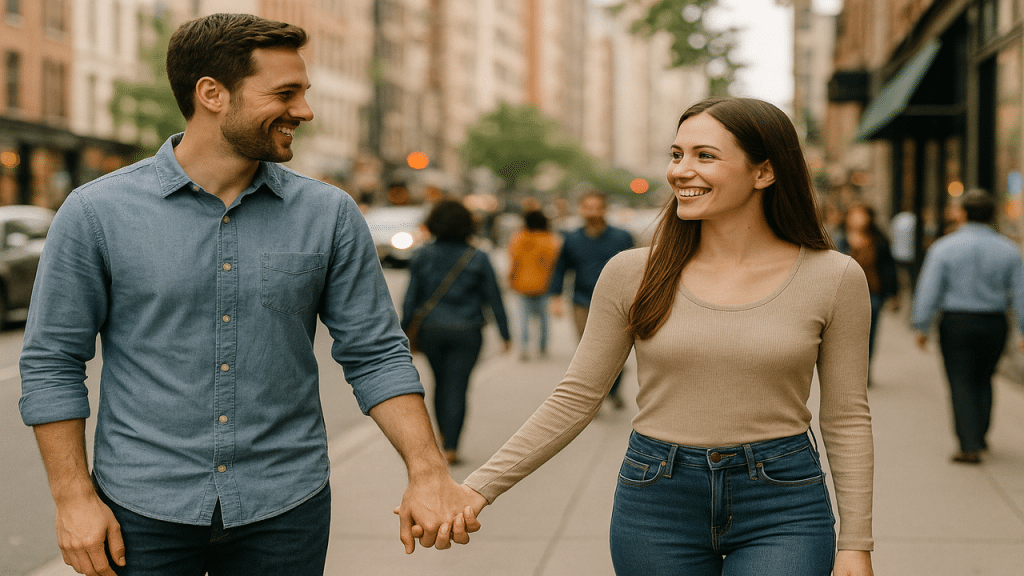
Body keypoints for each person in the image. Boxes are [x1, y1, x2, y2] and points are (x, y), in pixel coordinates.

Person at [18, 14, 476, 576]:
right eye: (286, 93)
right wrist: (73, 499)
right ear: (212, 94)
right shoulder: (96, 213)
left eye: (303, 93)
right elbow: (52, 362)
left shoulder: (328, 215)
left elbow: (376, 353)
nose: (304, 111)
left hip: (286, 507)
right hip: (139, 509)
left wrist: (427, 471)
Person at [435, 97, 875, 575]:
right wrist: (478, 487)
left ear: (764, 172)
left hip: (782, 503)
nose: (680, 171)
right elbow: (576, 397)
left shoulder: (834, 278)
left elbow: (847, 417)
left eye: (705, 156)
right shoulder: (632, 273)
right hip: (657, 499)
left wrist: (856, 543)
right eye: (676, 154)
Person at [912, 188, 1024, 465]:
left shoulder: (944, 247)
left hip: (956, 322)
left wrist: (921, 325)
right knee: (985, 377)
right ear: (993, 215)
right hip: (994, 322)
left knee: (960, 380)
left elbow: (929, 289)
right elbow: (1021, 292)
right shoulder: (1010, 250)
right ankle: (980, 434)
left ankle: (968, 443)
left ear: (962, 213)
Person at [402, 199, 512, 466]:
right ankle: (451, 445)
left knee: (439, 383)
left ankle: (442, 436)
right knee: (458, 387)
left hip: (431, 330)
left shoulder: (422, 254)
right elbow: (494, 298)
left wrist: (405, 332)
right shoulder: (478, 257)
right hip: (467, 330)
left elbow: (410, 299)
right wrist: (505, 334)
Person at [549, 191, 634, 408]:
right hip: (582, 301)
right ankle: (593, 399)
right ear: (581, 209)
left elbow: (636, 270)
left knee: (615, 351)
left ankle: (613, 391)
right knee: (587, 354)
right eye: (588, 207)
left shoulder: (621, 237)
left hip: (617, 304)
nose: (592, 212)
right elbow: (560, 269)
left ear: (605, 209)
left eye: (597, 207)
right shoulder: (572, 238)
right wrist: (556, 298)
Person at [836, 203, 899, 380]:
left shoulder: (878, 239)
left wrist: (893, 294)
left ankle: (864, 371)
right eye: (853, 214)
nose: (857, 218)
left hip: (872, 293)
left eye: (861, 214)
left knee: (869, 335)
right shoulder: (839, 238)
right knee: (844, 336)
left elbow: (888, 268)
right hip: (844, 296)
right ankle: (847, 370)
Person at [507, 209, 561, 360]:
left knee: (523, 318)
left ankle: (524, 347)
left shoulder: (519, 238)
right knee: (544, 319)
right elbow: (554, 263)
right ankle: (542, 347)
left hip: (522, 284)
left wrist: (511, 278)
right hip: (544, 284)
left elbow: (514, 260)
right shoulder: (550, 239)